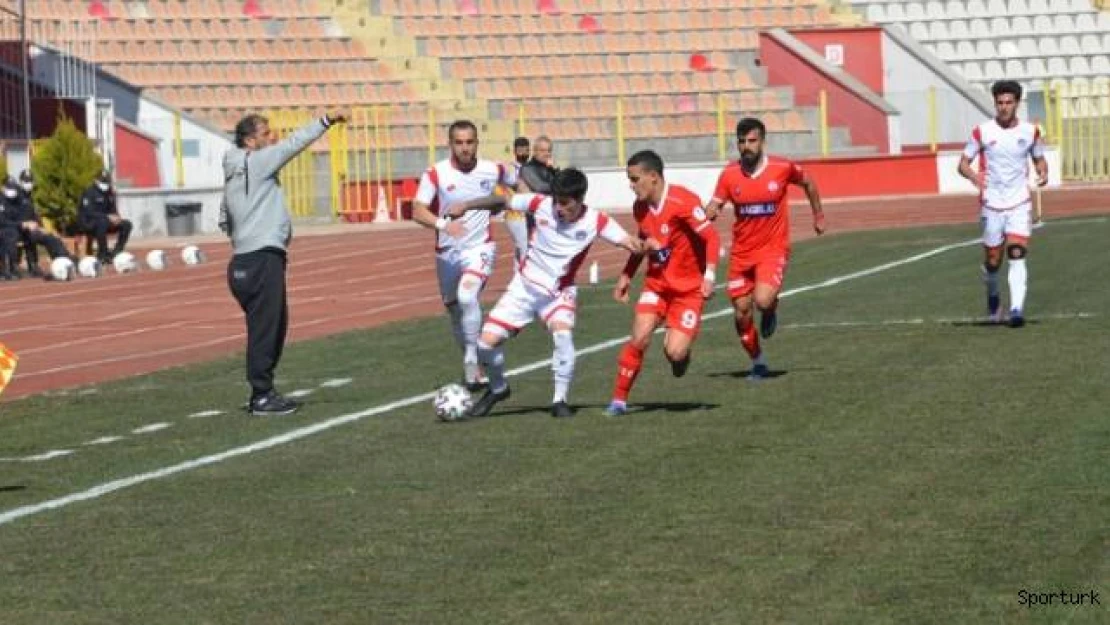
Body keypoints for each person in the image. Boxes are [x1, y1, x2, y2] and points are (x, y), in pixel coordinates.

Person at [444, 168, 644, 418]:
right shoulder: (541, 203)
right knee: (484, 345)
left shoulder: (597, 221)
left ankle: (559, 400)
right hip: (524, 288)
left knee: (562, 335)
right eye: (557, 202)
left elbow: (628, 241)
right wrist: (467, 205)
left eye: (565, 204)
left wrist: (643, 246)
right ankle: (498, 388)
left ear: (580, 200)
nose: (559, 209)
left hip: (559, 292)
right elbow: (504, 199)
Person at [222, 110, 347, 416]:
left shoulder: (232, 173)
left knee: (268, 327)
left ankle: (263, 391)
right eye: (266, 133)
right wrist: (326, 120)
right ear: (250, 141)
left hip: (243, 260)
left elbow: (224, 219)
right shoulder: (257, 161)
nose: (272, 137)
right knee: (268, 329)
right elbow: (293, 144)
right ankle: (262, 395)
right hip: (262, 259)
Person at [705, 118, 826, 379]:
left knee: (762, 300)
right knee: (741, 313)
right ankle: (758, 361)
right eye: (741, 141)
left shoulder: (782, 167)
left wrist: (818, 215)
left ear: (762, 141)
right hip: (741, 254)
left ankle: (770, 309)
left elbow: (808, 182)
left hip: (773, 249)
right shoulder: (729, 174)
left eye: (752, 140)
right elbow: (715, 202)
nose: (746, 146)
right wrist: (711, 210)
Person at [604, 150, 721, 417]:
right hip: (656, 284)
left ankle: (680, 356)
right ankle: (619, 400)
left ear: (653, 177)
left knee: (675, 353)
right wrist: (626, 275)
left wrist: (710, 276)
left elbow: (712, 238)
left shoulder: (683, 201)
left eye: (635, 179)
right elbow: (643, 245)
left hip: (688, 290)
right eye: (629, 180)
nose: (631, 186)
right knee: (639, 336)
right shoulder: (640, 208)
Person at [411, 120, 517, 391]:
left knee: (467, 295)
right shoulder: (436, 174)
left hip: (480, 248)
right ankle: (472, 364)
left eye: (470, 142)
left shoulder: (492, 169)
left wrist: (529, 204)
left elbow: (517, 180)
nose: (465, 148)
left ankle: (472, 360)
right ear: (450, 144)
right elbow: (418, 210)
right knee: (455, 311)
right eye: (459, 142)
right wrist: (444, 226)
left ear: (477, 143)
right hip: (447, 252)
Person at [958, 80, 1047, 328]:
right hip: (991, 203)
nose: (1004, 107)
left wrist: (1043, 172)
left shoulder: (1031, 131)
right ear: (995, 103)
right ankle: (994, 299)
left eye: (1009, 102)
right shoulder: (982, 131)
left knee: (1017, 252)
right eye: (1000, 103)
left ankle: (1017, 309)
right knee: (993, 260)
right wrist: (974, 176)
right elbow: (963, 163)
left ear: (1017, 103)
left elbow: (1039, 159)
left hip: (1019, 202)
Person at [13, 170, 72, 277]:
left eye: (30, 181)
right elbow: (9, 216)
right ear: (20, 182)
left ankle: (62, 260)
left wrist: (40, 226)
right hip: (18, 230)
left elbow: (34, 215)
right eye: (26, 181)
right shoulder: (15, 196)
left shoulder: (29, 196)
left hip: (31, 230)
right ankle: (33, 264)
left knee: (51, 237)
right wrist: (24, 223)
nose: (28, 184)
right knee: (41, 236)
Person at [78, 169, 132, 264]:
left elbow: (113, 209)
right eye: (103, 181)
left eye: (107, 181)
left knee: (127, 224)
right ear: (96, 180)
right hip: (89, 223)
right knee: (102, 222)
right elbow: (89, 212)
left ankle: (116, 251)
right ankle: (102, 254)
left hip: (106, 222)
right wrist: (107, 216)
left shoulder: (109, 193)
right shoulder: (89, 193)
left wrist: (116, 218)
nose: (105, 184)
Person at [0, 177, 21, 280]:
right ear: (3, 187)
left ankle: (12, 267)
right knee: (9, 234)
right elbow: (2, 220)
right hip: (3, 228)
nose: (12, 191)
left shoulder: (16, 201)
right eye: (9, 188)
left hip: (11, 228)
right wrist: (20, 224)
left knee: (11, 233)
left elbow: (19, 217)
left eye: (13, 188)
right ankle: (4, 268)